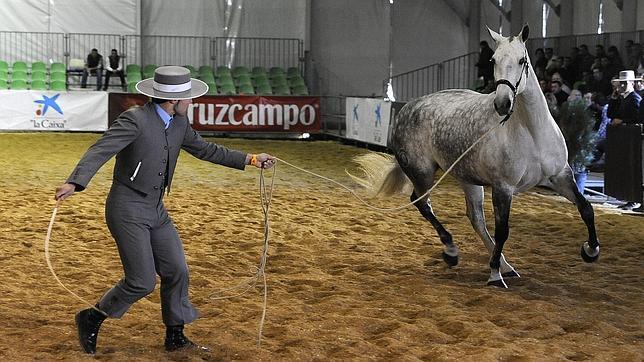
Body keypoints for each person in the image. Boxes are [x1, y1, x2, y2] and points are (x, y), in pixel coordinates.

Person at [54, 66, 277, 354]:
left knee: (177, 270)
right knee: (142, 282)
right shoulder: (134, 120)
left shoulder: (179, 124)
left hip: (155, 209)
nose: (192, 103)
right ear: (174, 100)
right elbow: (101, 149)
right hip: (127, 209)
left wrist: (251, 159)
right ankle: (92, 316)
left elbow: (206, 149)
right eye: (189, 99)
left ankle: (175, 335)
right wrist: (76, 181)